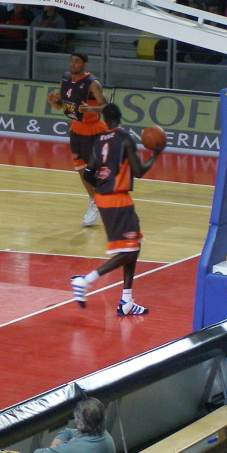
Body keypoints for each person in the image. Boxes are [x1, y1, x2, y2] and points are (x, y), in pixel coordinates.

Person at [70, 103, 162, 315]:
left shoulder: (99, 140)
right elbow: (138, 172)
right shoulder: (124, 138)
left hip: (104, 198)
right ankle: (85, 281)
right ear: (120, 117)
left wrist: (104, 182)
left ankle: (127, 302)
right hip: (117, 199)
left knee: (134, 246)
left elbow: (88, 174)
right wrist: (156, 154)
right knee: (128, 251)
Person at [47, 52, 109, 227]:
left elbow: (107, 107)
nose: (73, 64)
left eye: (77, 62)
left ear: (85, 64)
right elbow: (61, 105)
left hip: (93, 130)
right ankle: (93, 201)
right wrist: (53, 102)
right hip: (75, 129)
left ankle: (104, 200)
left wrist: (90, 109)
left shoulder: (92, 84)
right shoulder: (65, 79)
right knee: (80, 169)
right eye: (71, 61)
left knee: (92, 171)